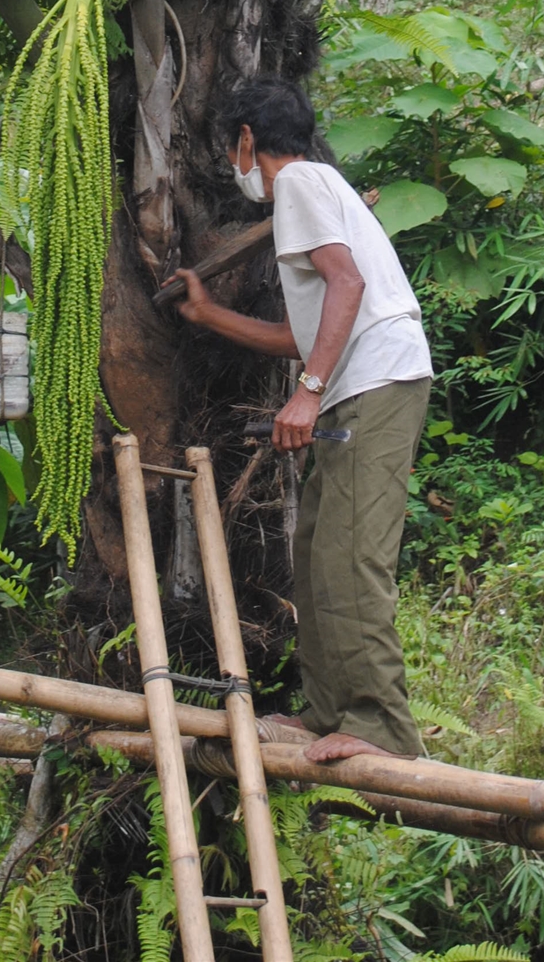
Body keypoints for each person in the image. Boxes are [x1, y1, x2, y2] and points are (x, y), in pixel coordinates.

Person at [174, 74, 432, 763]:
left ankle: (381, 725)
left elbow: (347, 286)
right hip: (361, 382)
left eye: (233, 149)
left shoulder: (299, 184)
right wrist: (210, 315)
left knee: (353, 554)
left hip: (376, 381)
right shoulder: (318, 191)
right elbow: (303, 332)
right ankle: (326, 710)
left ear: (248, 140)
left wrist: (308, 392)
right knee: (319, 551)